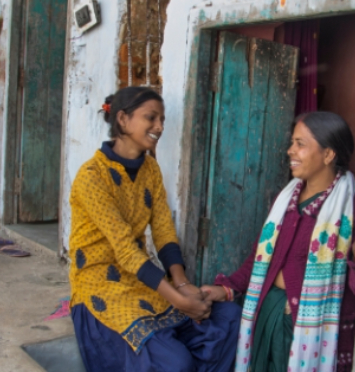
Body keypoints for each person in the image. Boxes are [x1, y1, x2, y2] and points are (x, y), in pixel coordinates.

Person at [69, 87, 240, 372]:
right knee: (174, 361)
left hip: (139, 278)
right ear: (123, 119)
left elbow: (163, 230)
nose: (159, 127)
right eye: (151, 118)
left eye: (162, 119)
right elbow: (125, 249)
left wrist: (182, 283)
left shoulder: (150, 169)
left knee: (229, 317)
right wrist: (179, 300)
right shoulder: (92, 177)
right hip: (98, 284)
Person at [201, 112, 355, 372]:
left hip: (309, 328)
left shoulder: (354, 209)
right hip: (269, 314)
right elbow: (260, 258)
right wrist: (227, 289)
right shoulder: (285, 201)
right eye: (292, 143)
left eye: (301, 144)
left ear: (328, 155)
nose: (291, 151)